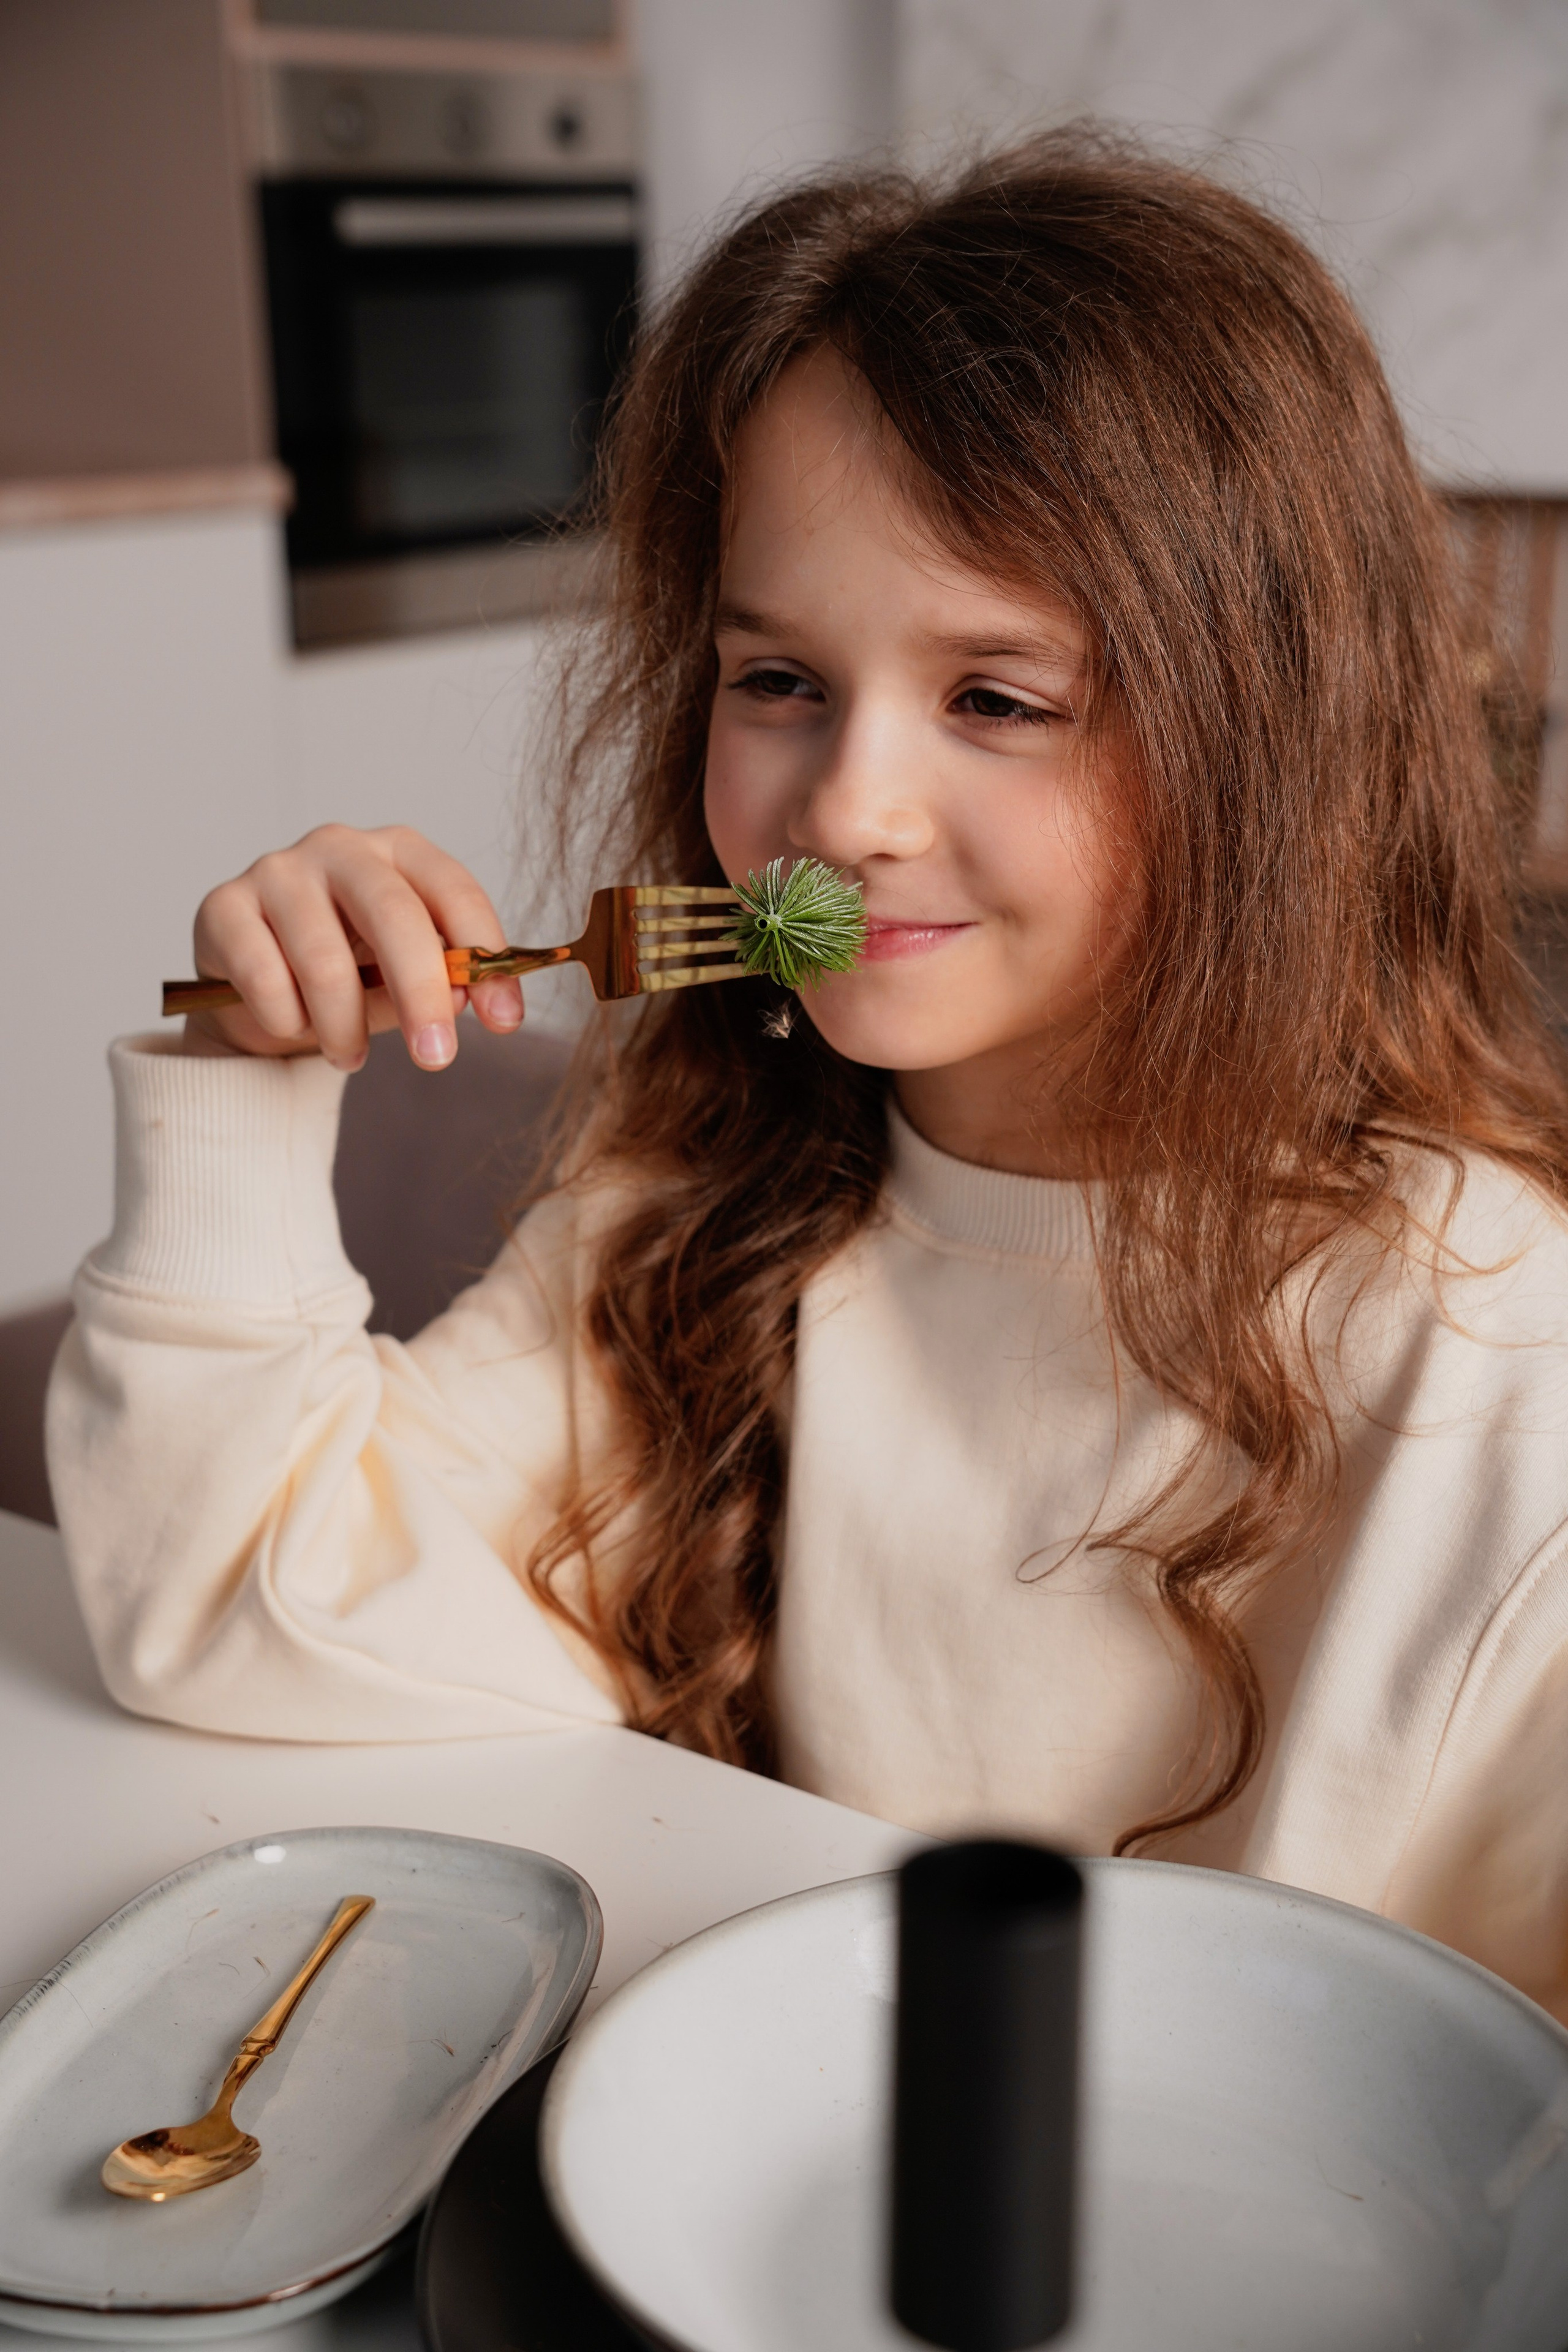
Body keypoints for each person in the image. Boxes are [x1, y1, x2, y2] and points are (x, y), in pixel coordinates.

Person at [47, 131, 1568, 2021]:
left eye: (996, 700)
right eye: (778, 681)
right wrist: (245, 1096)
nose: (843, 810)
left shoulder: (1497, 1365)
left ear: (1270, 745)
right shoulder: (705, 1201)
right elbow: (238, 1618)